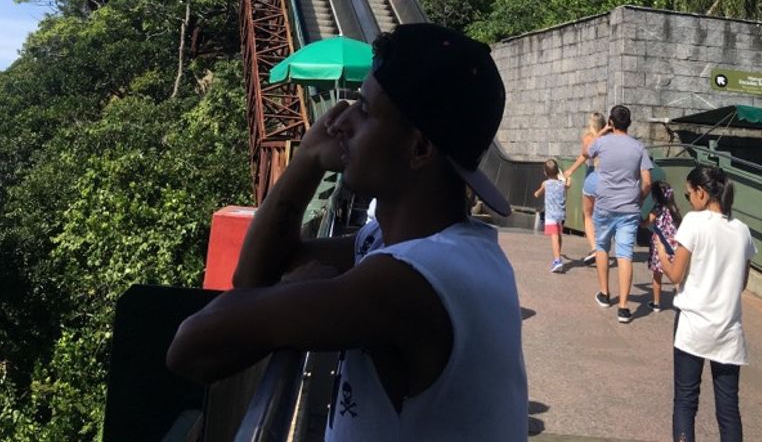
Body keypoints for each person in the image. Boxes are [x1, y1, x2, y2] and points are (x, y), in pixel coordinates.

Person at [167, 23, 529, 440]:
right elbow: (254, 275)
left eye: (365, 109)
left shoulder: (415, 279)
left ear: (420, 149)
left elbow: (191, 348)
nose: (339, 122)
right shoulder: (422, 245)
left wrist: (289, 292)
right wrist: (306, 161)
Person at [653, 165, 756, 442]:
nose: (689, 200)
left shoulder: (693, 223)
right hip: (728, 329)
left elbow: (675, 274)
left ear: (701, 192)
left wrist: (662, 252)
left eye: (689, 195)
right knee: (728, 409)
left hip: (693, 325)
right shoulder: (742, 231)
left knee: (686, 400)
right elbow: (741, 283)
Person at [588, 104, 652, 323]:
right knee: (625, 254)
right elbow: (647, 181)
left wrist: (603, 131)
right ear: (630, 123)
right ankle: (624, 308)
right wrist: (639, 198)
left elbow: (585, 151)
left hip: (605, 205)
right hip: (629, 208)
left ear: (611, 122)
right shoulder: (639, 148)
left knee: (602, 247)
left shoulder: (602, 142)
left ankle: (605, 294)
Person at [562, 110, 606, 263]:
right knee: (601, 215)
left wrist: (570, 170)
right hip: (607, 178)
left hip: (593, 176)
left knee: (587, 215)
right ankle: (602, 247)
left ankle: (595, 248)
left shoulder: (589, 138)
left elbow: (584, 154)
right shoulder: (609, 137)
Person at [647, 180, 682, 311]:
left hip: (660, 245)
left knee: (657, 274)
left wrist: (640, 221)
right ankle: (681, 301)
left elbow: (647, 222)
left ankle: (656, 302)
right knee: (675, 275)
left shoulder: (657, 209)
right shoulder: (674, 209)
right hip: (674, 245)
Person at [533, 159, 568, 272]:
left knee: (553, 235)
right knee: (558, 234)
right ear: (557, 171)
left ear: (545, 172)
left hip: (551, 215)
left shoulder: (545, 184)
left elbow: (538, 193)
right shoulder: (562, 184)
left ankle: (557, 260)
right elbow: (569, 183)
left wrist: (536, 193)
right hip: (561, 215)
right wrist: (565, 176)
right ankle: (557, 255)